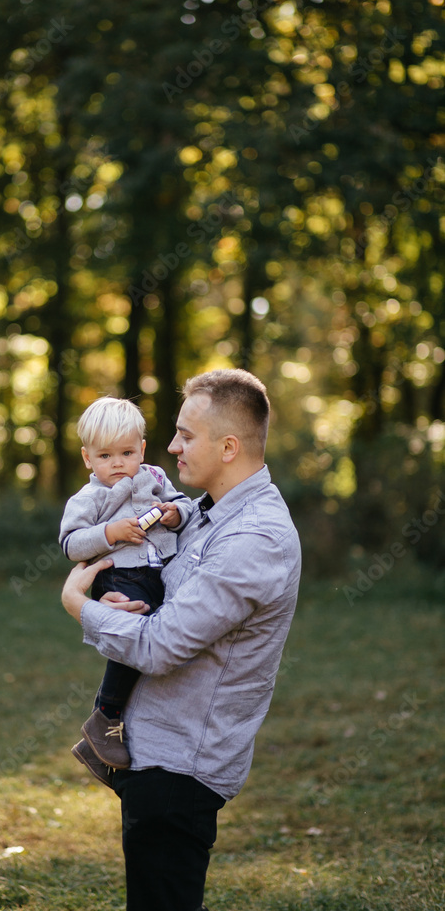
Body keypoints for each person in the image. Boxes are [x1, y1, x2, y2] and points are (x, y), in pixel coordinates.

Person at [61, 369, 302, 911]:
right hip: (151, 756)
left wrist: (81, 606)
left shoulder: (255, 539)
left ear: (229, 446)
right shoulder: (204, 514)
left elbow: (160, 647)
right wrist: (119, 598)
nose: (170, 448)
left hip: (181, 771)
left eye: (186, 436)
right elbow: (159, 591)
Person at [59, 396, 192, 771]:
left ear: (142, 449)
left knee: (161, 646)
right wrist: (108, 532)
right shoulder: (90, 497)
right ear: (88, 458)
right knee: (133, 636)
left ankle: (103, 745)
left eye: (127, 452)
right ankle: (105, 715)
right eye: (105, 456)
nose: (118, 463)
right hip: (118, 575)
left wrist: (174, 513)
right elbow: (71, 544)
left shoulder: (154, 478)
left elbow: (184, 504)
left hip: (158, 575)